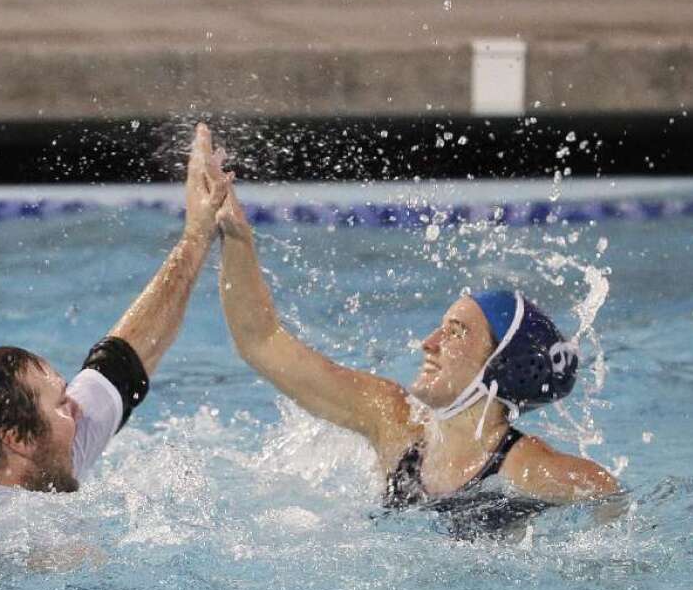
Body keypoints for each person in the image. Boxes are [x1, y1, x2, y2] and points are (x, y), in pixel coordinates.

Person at [215, 175, 619, 536]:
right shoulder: (393, 423)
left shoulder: (529, 468)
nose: (429, 342)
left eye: (456, 332)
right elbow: (263, 344)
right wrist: (236, 239)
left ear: (500, 364)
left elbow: (612, 502)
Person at [0, 123, 231, 494]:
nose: (77, 407)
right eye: (61, 403)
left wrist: (196, 234)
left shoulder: (50, 456)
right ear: (15, 438)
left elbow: (128, 355)